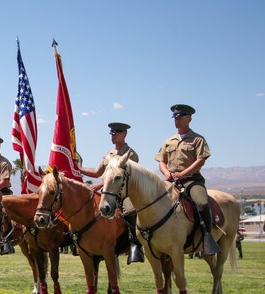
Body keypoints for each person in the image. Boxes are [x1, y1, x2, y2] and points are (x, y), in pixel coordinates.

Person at [155, 104, 219, 256]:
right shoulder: (168, 141)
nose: (177, 119)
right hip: (171, 181)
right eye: (175, 117)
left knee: (202, 204)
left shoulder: (198, 139)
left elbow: (201, 160)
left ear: (189, 118)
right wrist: (166, 173)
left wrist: (183, 173)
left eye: (181, 116)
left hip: (191, 181)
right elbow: (161, 161)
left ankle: (207, 237)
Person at [79, 122, 144, 263]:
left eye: (116, 132)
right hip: (109, 193)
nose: (113, 135)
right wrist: (78, 168)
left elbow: (125, 177)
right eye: (112, 133)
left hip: (125, 193)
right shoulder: (108, 154)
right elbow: (97, 172)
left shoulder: (130, 154)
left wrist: (101, 185)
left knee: (130, 212)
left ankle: (135, 246)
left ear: (124, 134)